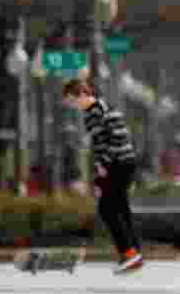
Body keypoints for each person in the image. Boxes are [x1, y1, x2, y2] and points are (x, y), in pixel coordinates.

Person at [62, 77, 143, 274]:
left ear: (81, 94)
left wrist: (103, 165)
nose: (74, 106)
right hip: (124, 162)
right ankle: (134, 254)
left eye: (73, 101)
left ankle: (130, 254)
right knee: (121, 208)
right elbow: (105, 141)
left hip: (118, 164)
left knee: (108, 209)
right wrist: (101, 167)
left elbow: (112, 141)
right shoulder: (100, 108)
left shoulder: (95, 112)